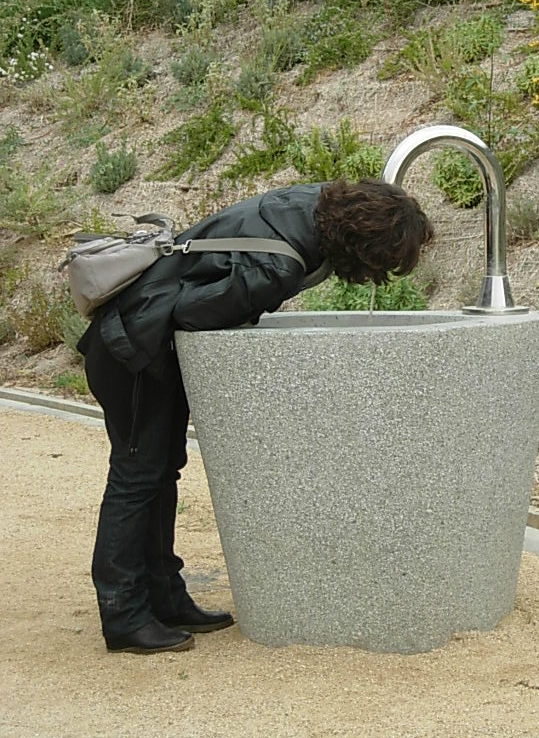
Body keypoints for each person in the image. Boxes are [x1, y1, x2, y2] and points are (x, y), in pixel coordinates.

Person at [77, 178, 433, 655]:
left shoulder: (308, 204)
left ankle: (165, 596)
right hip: (133, 349)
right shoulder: (279, 266)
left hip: (138, 334)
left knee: (160, 471)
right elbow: (191, 313)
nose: (374, 276)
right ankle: (123, 614)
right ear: (362, 247)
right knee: (137, 477)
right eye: (380, 264)